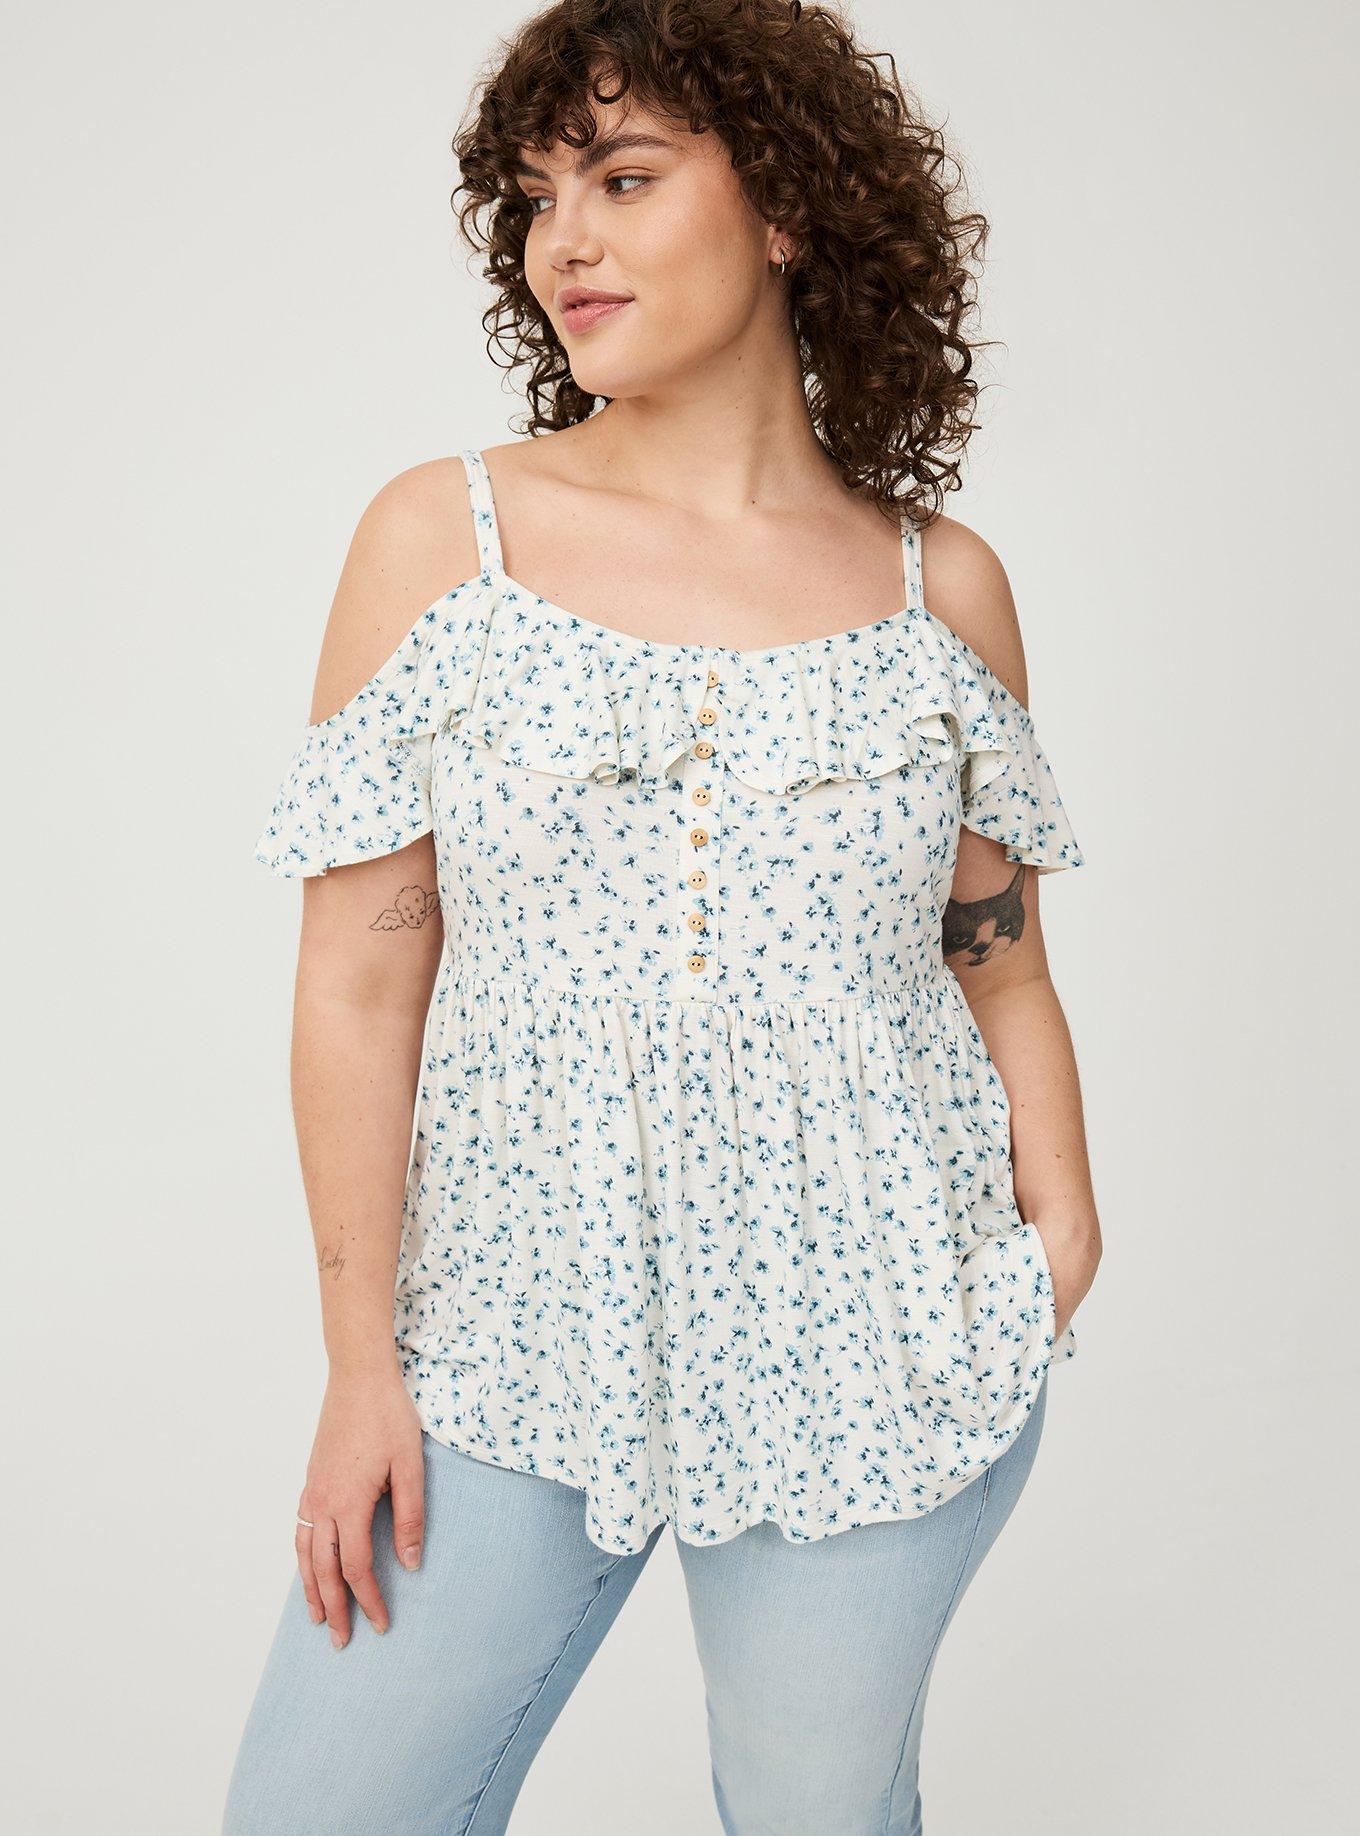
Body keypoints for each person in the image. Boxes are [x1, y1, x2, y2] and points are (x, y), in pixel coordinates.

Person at [224, 3, 1102, 1830]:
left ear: (783, 206)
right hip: (508, 1324)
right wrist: (362, 1365)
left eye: (623, 180)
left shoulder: (937, 590)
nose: (567, 241)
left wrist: (1060, 1229)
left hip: (877, 1326)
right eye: (537, 199)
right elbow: (358, 986)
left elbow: (998, 957)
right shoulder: (444, 543)